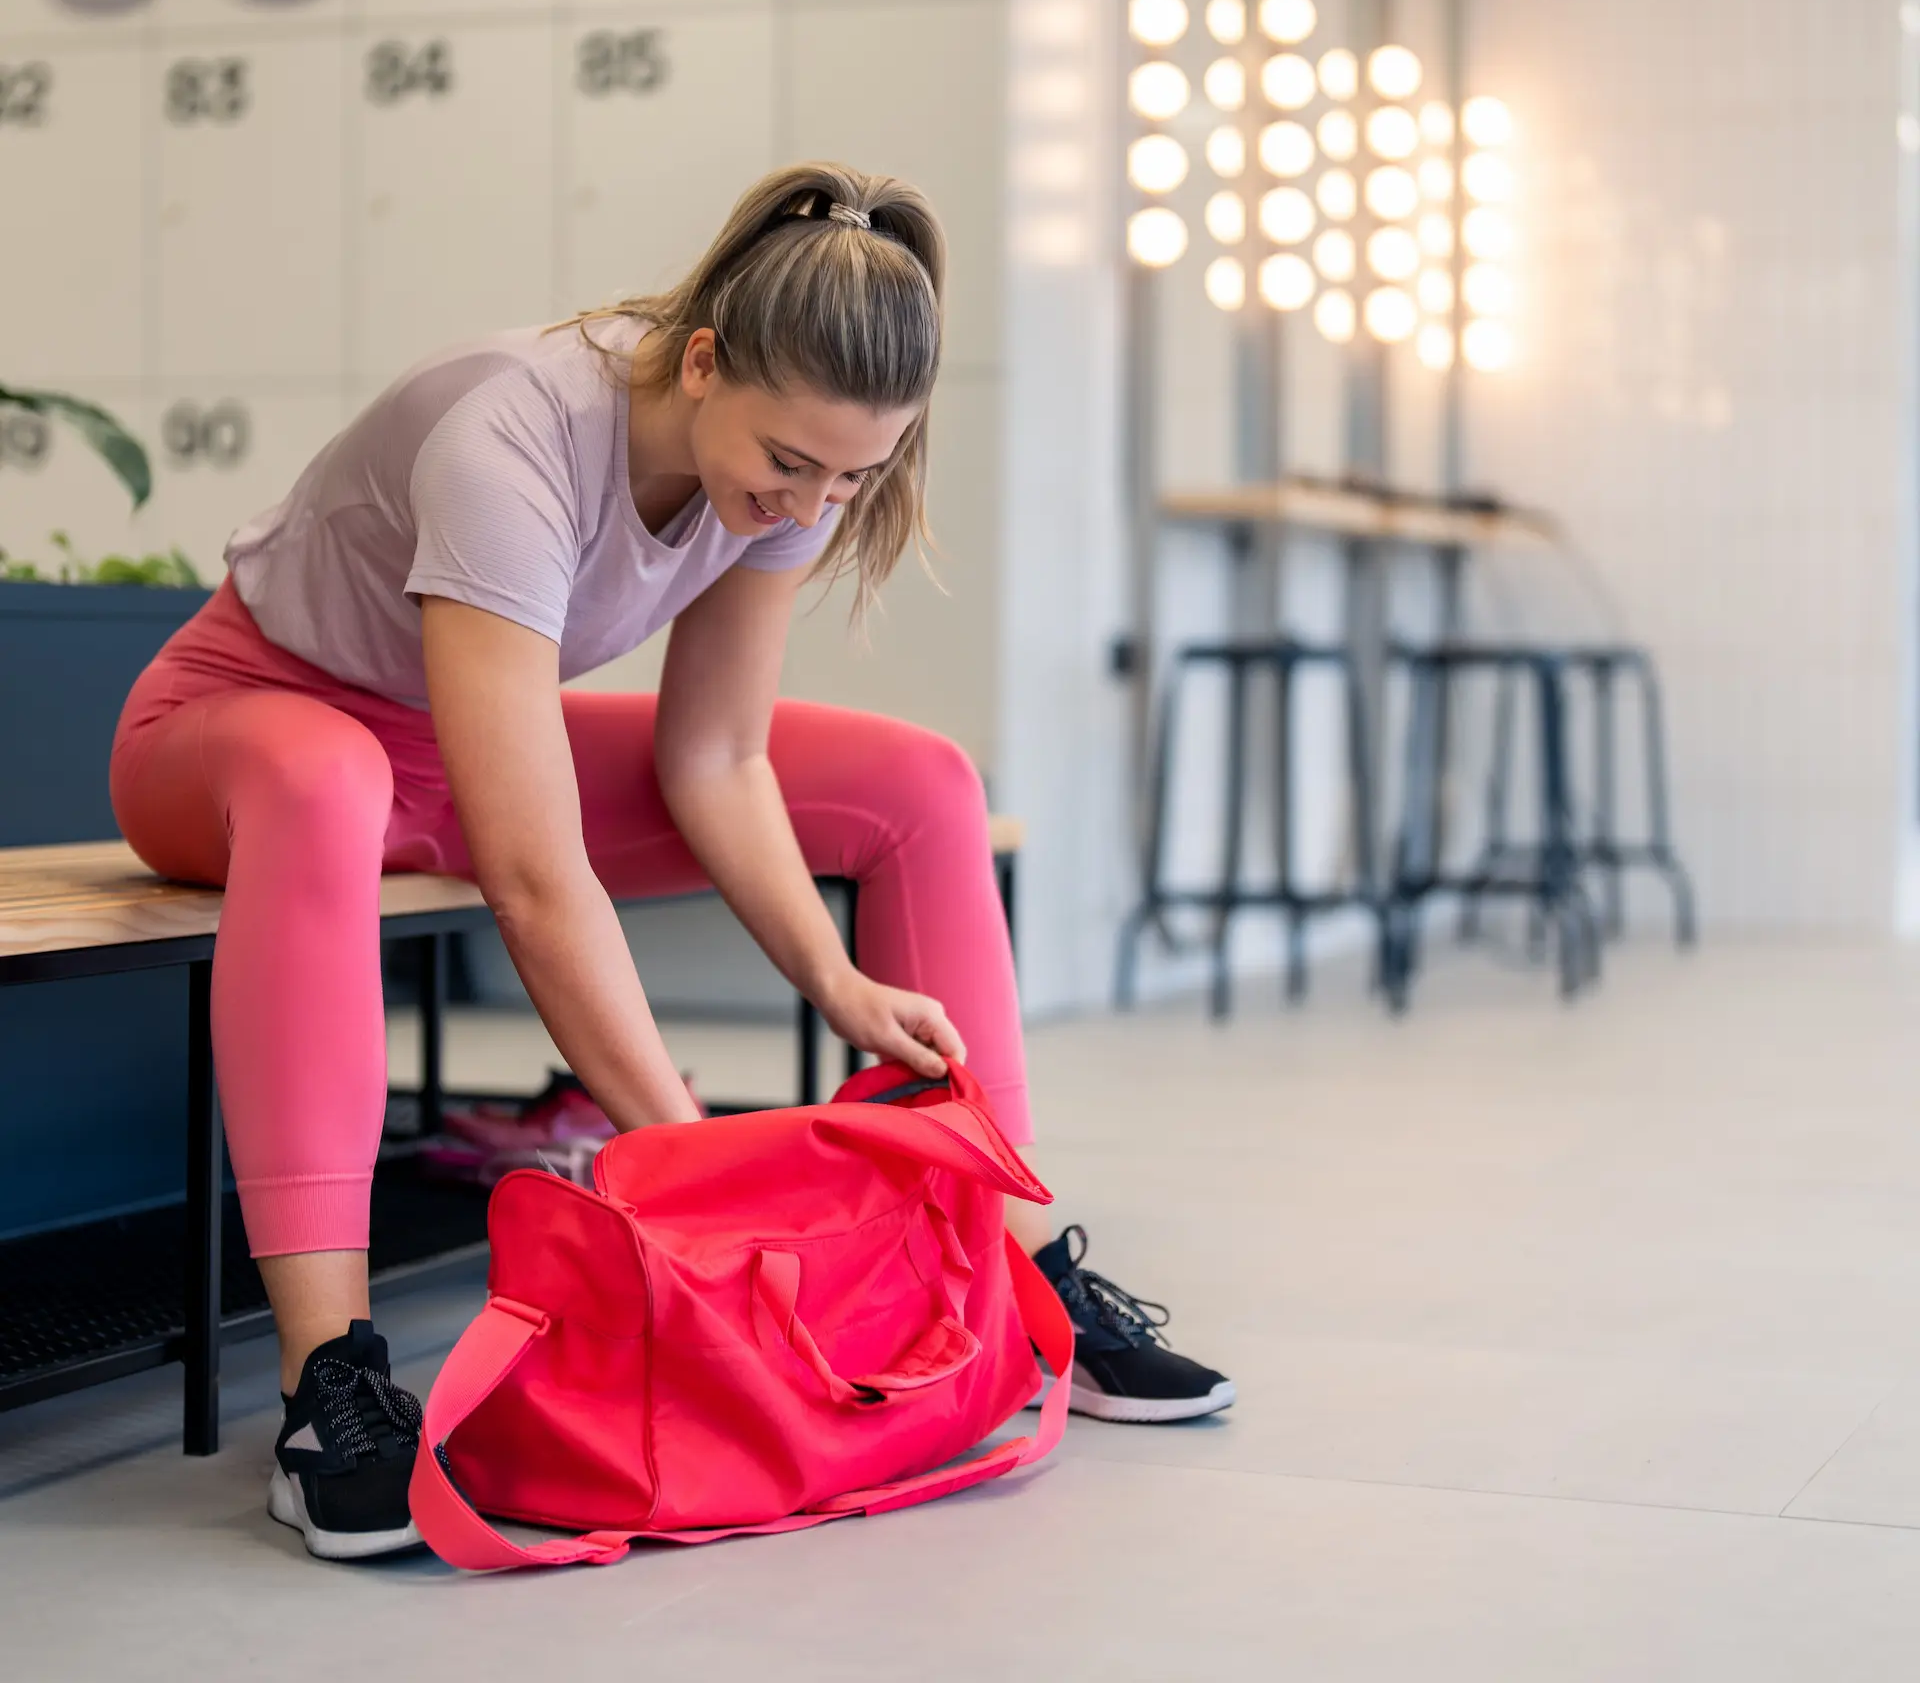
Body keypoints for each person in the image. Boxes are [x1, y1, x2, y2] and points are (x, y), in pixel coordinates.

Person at [110, 162, 1233, 1562]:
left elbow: (717, 758)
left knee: (921, 783)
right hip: (233, 730)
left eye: (853, 476)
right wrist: (701, 1163)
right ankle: (325, 1388)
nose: (809, 502)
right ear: (703, 363)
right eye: (788, 465)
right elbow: (532, 871)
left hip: (453, 746)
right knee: (328, 779)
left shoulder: (796, 471)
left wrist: (835, 980)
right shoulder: (507, 437)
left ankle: (998, 1269)